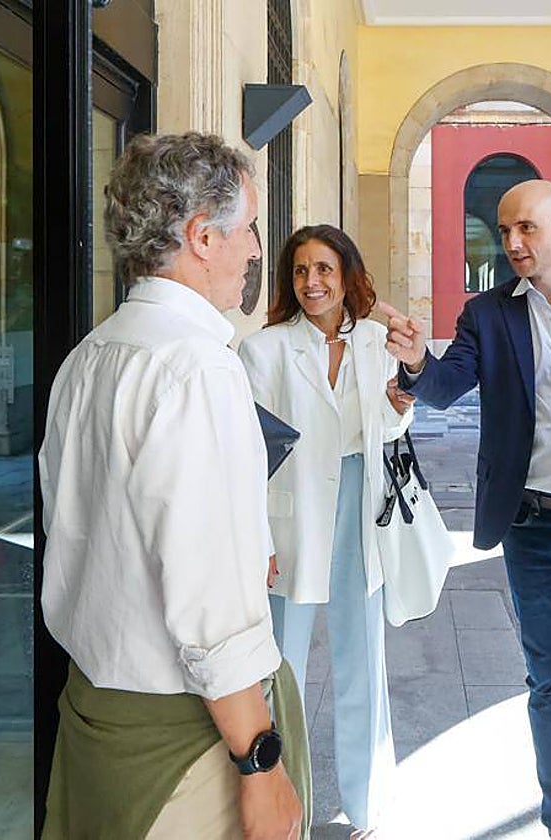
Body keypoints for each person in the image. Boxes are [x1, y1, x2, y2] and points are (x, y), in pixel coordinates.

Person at [38, 132, 307, 840]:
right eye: (248, 227)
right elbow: (208, 600)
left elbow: (91, 533)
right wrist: (261, 764)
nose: (256, 249)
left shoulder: (89, 357)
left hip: (96, 712)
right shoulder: (196, 369)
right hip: (185, 740)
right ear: (201, 236)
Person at [381, 179, 551, 840]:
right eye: (504, 231)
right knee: (548, 686)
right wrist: (419, 362)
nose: (512, 243)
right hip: (533, 529)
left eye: (526, 228)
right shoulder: (490, 314)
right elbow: (447, 387)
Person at [239, 224, 413, 839]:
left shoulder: (375, 342)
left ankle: (367, 810)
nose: (311, 283)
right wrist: (256, 540)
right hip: (291, 521)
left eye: (323, 270)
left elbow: (387, 434)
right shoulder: (263, 351)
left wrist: (399, 407)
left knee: (361, 664)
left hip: (358, 515)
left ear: (346, 275)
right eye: (300, 272)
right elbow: (250, 455)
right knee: (280, 669)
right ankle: (284, 806)